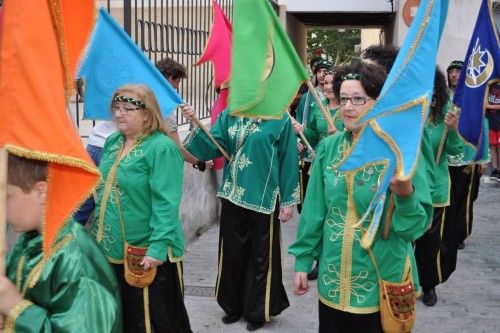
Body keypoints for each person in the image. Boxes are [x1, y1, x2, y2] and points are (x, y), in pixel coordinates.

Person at [289, 61, 432, 332]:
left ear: (378, 102)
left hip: (380, 280)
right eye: (343, 99)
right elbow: (315, 211)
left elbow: (413, 229)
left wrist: (405, 195)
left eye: (358, 99)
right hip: (333, 279)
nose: (347, 107)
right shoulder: (329, 148)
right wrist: (303, 260)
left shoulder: (400, 153)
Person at [181, 103, 299, 331]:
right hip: (232, 195)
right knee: (232, 254)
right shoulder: (230, 114)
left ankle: (257, 310)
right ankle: (233, 306)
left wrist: (288, 201)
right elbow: (211, 146)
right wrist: (196, 121)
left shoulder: (279, 117)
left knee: (261, 256)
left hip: (264, 198)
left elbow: (288, 159)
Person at [91, 84, 192, 332]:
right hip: (111, 249)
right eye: (115, 108)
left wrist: (157, 248)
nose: (118, 114)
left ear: (147, 114)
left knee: (155, 320)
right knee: (124, 318)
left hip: (146, 252)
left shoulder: (162, 148)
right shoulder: (114, 141)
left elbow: (166, 204)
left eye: (127, 109)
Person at [0, 154, 122, 332]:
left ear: (42, 192)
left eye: (8, 197)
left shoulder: (77, 259)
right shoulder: (27, 244)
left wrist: (17, 309)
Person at [414, 68, 463, 307]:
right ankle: (405, 284)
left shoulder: (446, 115)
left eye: (433, 88)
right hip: (408, 189)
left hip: (434, 190)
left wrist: (453, 131)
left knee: (428, 243)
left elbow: (455, 151)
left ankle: (428, 284)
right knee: (405, 240)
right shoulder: (409, 114)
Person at [291, 70, 344, 280]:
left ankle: (334, 259)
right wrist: (300, 131)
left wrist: (339, 136)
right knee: (316, 213)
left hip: (341, 168)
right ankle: (318, 260)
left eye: (334, 83)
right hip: (320, 165)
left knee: (333, 216)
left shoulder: (347, 110)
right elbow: (312, 133)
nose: (329, 86)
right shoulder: (319, 108)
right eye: (327, 83)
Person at [444, 59, 490, 254]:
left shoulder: (475, 98)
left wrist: (484, 157)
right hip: (446, 158)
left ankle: (460, 234)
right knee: (449, 198)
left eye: (458, 72)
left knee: (465, 198)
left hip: (469, 156)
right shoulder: (444, 97)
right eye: (451, 71)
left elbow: (483, 127)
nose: (454, 75)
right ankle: (447, 233)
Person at [486, 81, 500, 181]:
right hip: (491, 123)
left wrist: (488, 106)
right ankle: (495, 169)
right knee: (492, 146)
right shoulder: (491, 85)